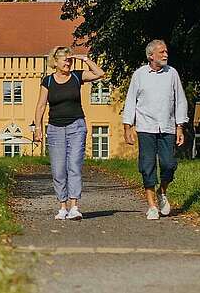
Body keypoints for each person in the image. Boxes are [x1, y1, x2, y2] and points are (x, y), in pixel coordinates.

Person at [32, 46, 106, 220]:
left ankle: (74, 207)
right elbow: (41, 105)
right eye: (65, 60)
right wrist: (38, 128)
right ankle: (62, 207)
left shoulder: (77, 76)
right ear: (55, 61)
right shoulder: (48, 81)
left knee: (74, 165)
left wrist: (85, 59)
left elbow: (100, 74)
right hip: (55, 129)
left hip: (76, 126)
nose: (68, 63)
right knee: (58, 169)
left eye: (70, 60)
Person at [122, 39, 188, 220]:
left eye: (166, 51)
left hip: (167, 126)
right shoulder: (139, 75)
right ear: (151, 56)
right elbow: (130, 101)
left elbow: (180, 101)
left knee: (169, 164)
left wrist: (180, 127)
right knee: (147, 165)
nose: (166, 54)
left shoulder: (172, 73)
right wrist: (127, 127)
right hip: (146, 127)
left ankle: (162, 192)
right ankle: (151, 206)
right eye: (162, 52)